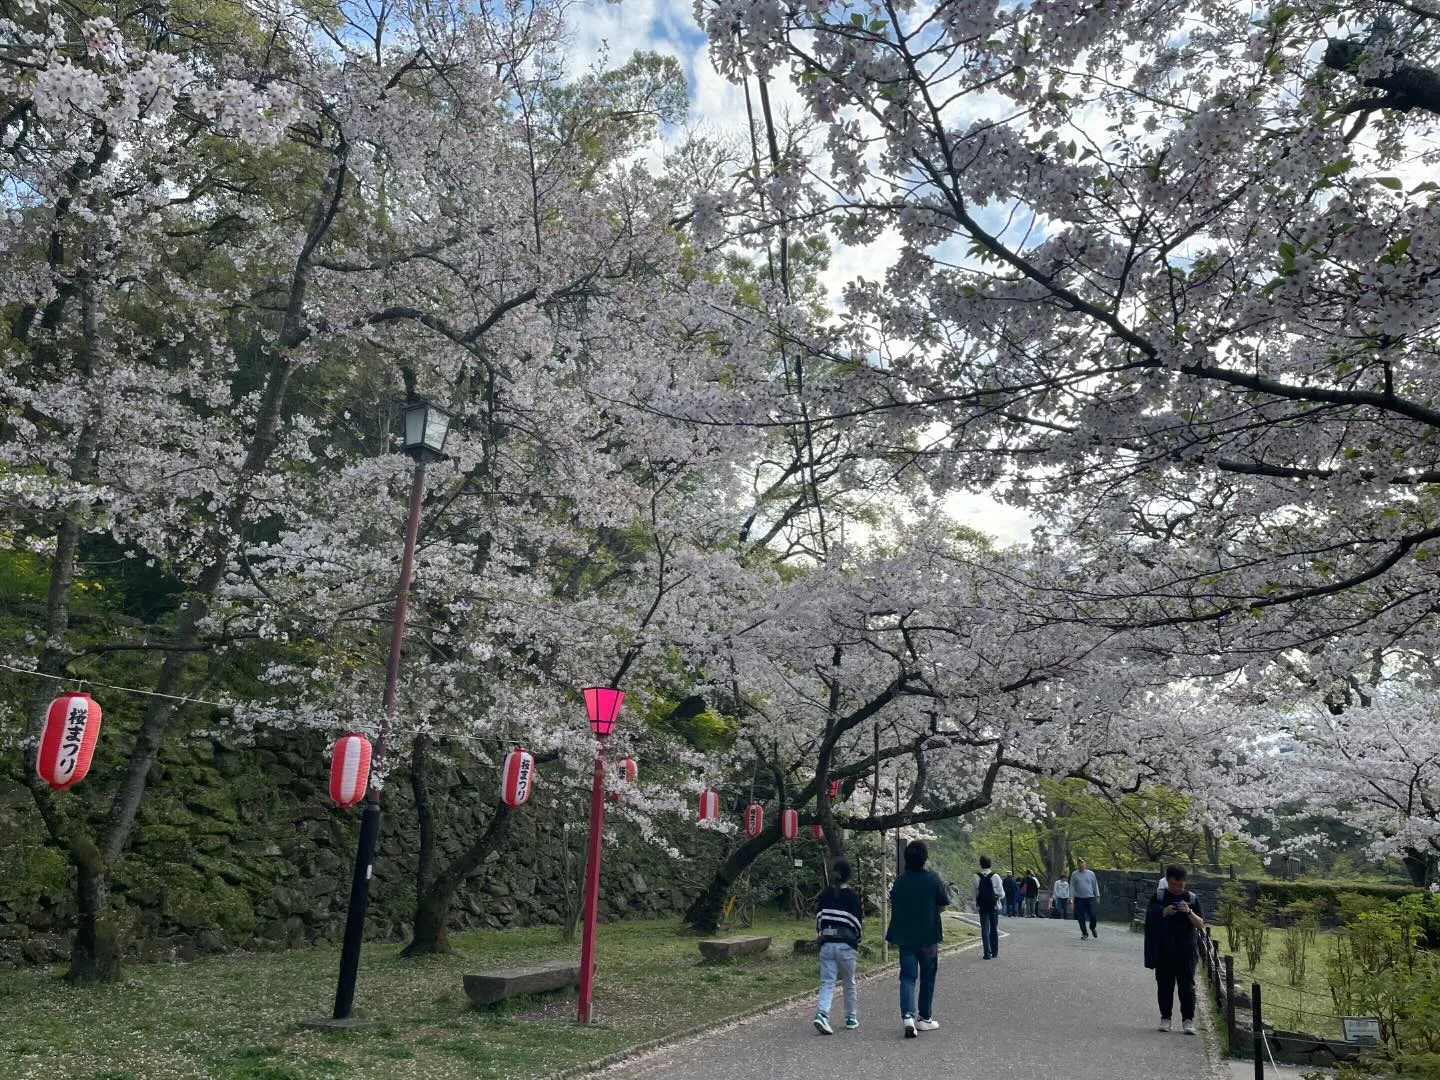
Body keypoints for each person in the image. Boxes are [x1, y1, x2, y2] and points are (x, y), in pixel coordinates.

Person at [886, 840, 949, 1038]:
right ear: (925, 858)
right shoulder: (933, 879)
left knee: (907, 977)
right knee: (928, 977)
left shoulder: (900, 881)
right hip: (928, 936)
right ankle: (925, 1018)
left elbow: (894, 903)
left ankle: (907, 1016)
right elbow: (942, 906)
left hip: (906, 937)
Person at [1144, 864, 1206, 1034]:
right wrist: (1164, 911)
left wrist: (1188, 912)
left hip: (1186, 950)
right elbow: (1149, 918)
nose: (1177, 888)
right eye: (1173, 884)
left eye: (1180, 884)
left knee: (1187, 986)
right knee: (1164, 985)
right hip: (1164, 949)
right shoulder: (1159, 896)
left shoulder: (1191, 898)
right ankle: (1165, 1018)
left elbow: (1201, 924)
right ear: (1167, 881)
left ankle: (1188, 1020)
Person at [813, 858, 863, 1034]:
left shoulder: (825, 895)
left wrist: (821, 933)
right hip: (846, 947)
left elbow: (819, 919)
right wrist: (858, 939)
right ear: (849, 876)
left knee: (827, 982)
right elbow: (856, 924)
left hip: (827, 944)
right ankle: (850, 1018)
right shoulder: (852, 897)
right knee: (849, 982)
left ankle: (822, 1014)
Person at [973, 855, 1003, 959]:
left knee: (984, 929)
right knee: (994, 928)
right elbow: (1002, 894)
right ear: (990, 864)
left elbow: (974, 894)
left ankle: (987, 952)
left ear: (980, 864)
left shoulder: (975, 877)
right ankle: (994, 951)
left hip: (982, 906)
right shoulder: (996, 876)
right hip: (994, 906)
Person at [1070, 858, 1100, 938]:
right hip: (1079, 898)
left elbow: (1095, 884)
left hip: (1090, 897)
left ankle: (1092, 927)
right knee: (1081, 917)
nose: (1081, 866)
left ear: (1085, 865)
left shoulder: (1091, 873)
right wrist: (1071, 899)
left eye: (1082, 864)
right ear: (1078, 866)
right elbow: (1072, 886)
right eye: (1079, 864)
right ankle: (1084, 933)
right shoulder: (1074, 874)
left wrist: (1097, 895)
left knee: (1093, 914)